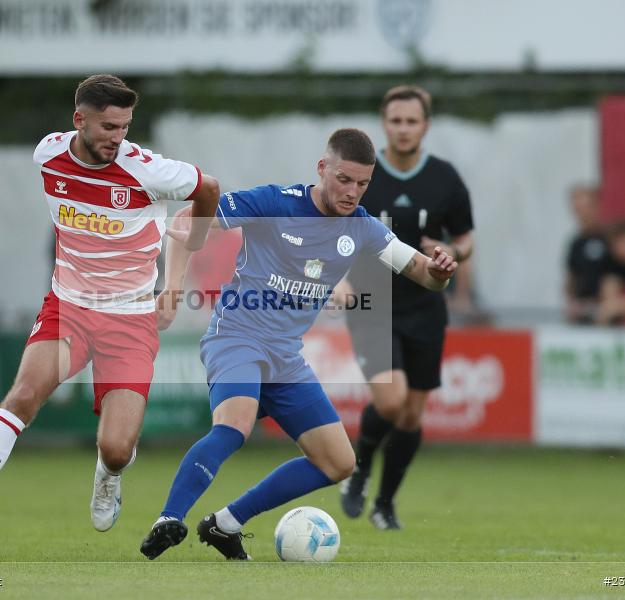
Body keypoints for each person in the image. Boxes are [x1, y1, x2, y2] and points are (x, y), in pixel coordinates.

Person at [0, 74, 220, 555]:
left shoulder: (147, 170)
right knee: (23, 394)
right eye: (108, 126)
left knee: (117, 448)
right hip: (69, 308)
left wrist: (183, 266)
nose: (118, 137)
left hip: (129, 319)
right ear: (78, 120)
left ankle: (108, 475)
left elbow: (207, 189)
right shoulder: (48, 155)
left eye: (125, 127)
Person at [139, 128, 457, 561]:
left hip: (285, 358)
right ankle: (169, 518)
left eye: (363, 184)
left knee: (339, 463)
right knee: (234, 426)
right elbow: (184, 222)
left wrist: (440, 269)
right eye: (344, 179)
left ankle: (226, 524)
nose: (352, 192)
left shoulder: (362, 226)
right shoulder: (275, 202)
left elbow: (421, 272)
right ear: (322, 168)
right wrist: (172, 287)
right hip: (237, 337)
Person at [338, 85, 474, 530]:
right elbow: (330, 228)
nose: (402, 128)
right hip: (371, 303)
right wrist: (337, 277)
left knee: (414, 413)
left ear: (425, 126)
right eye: (395, 120)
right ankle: (357, 469)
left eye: (411, 121)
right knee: (392, 401)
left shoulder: (446, 178)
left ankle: (385, 502)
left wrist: (452, 250)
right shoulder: (361, 174)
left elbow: (467, 239)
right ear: (384, 123)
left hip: (426, 306)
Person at [564, 184, 606, 323]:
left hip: (606, 313)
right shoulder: (576, 243)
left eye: (584, 207)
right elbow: (571, 277)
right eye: (577, 208)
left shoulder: (608, 238)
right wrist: (571, 302)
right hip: (581, 312)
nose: (580, 212)